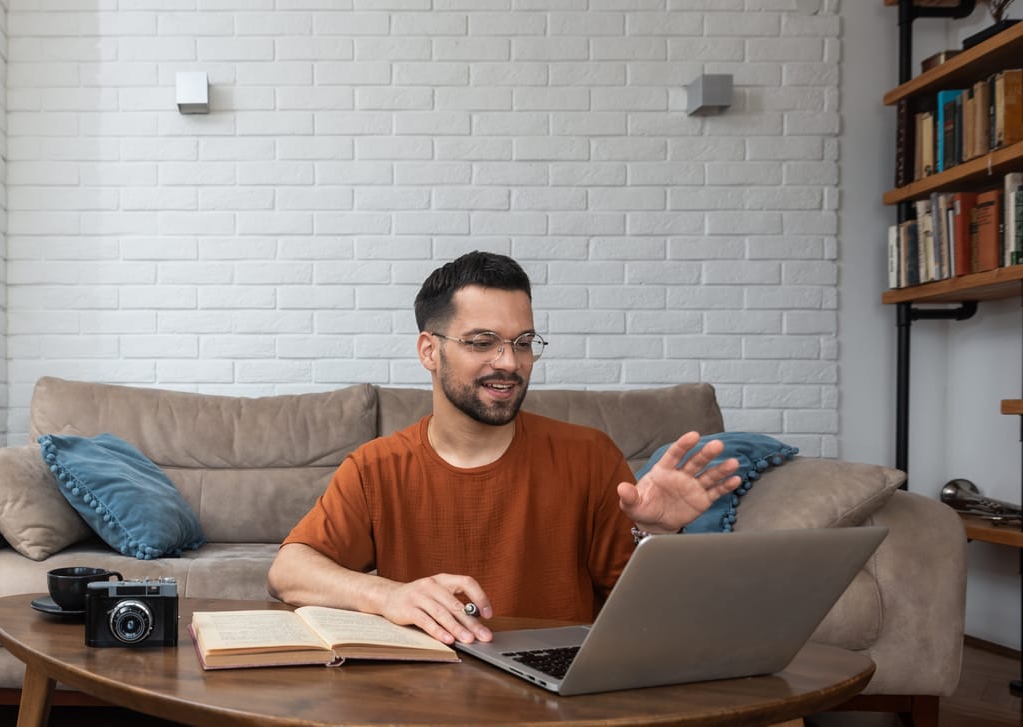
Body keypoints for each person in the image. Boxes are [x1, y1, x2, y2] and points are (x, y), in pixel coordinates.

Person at [266, 251, 740, 646]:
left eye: (523, 342)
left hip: (559, 692)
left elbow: (652, 615)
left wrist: (658, 538)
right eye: (482, 342)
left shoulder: (590, 456)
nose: (509, 363)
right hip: (423, 692)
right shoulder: (377, 468)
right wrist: (387, 595)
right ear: (430, 351)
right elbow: (288, 572)